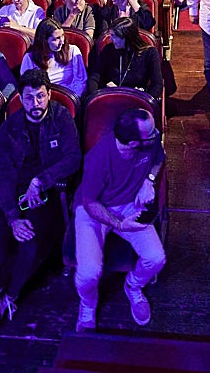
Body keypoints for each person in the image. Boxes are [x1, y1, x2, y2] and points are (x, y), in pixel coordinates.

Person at [0, 69, 81, 373]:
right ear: (21, 99)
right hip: (10, 197)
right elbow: (2, 174)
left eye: (41, 96)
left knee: (29, 247)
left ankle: (10, 296)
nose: (35, 103)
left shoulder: (62, 117)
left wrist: (42, 180)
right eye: (29, 97)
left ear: (49, 94)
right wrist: (12, 216)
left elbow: (73, 158)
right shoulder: (11, 125)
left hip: (44, 194)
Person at [73, 107, 165, 332]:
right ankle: (88, 304)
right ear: (134, 143)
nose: (157, 134)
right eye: (151, 132)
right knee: (88, 273)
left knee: (156, 258)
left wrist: (149, 180)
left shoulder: (150, 142)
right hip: (94, 210)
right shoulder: (98, 159)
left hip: (129, 205)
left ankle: (133, 286)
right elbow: (91, 202)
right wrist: (118, 224)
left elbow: (159, 158)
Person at [88, 17, 163, 100]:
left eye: (114, 36)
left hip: (137, 100)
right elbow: (94, 77)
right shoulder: (108, 49)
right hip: (110, 98)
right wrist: (96, 98)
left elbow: (157, 85)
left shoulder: (150, 53)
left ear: (127, 38)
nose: (111, 39)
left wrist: (144, 98)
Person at [20, 19, 88, 99]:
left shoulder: (73, 51)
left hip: (70, 98)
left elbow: (80, 81)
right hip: (42, 100)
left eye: (62, 36)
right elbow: (27, 87)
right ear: (44, 41)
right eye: (56, 39)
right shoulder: (30, 57)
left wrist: (71, 100)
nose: (61, 42)